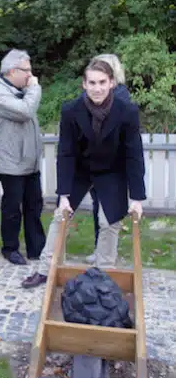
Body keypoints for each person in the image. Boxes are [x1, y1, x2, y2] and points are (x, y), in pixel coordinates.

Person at [22, 59, 145, 288]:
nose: (97, 88)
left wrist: (137, 197)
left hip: (112, 172)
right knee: (61, 217)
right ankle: (46, 270)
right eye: (92, 83)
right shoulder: (71, 110)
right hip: (80, 169)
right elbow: (66, 153)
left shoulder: (126, 111)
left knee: (109, 222)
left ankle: (104, 273)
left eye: (102, 82)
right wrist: (65, 195)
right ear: (84, 84)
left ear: (111, 83)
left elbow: (134, 154)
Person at [0, 49, 46, 266]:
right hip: (10, 163)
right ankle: (10, 248)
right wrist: (35, 88)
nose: (31, 75)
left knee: (34, 205)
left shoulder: (19, 90)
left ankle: (36, 249)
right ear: (13, 71)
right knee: (13, 208)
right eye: (27, 70)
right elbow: (25, 111)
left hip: (29, 161)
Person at [85, 54, 131, 263]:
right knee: (99, 209)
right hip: (94, 163)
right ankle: (100, 250)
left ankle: (106, 256)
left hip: (112, 165)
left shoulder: (119, 97)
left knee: (109, 213)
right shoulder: (96, 96)